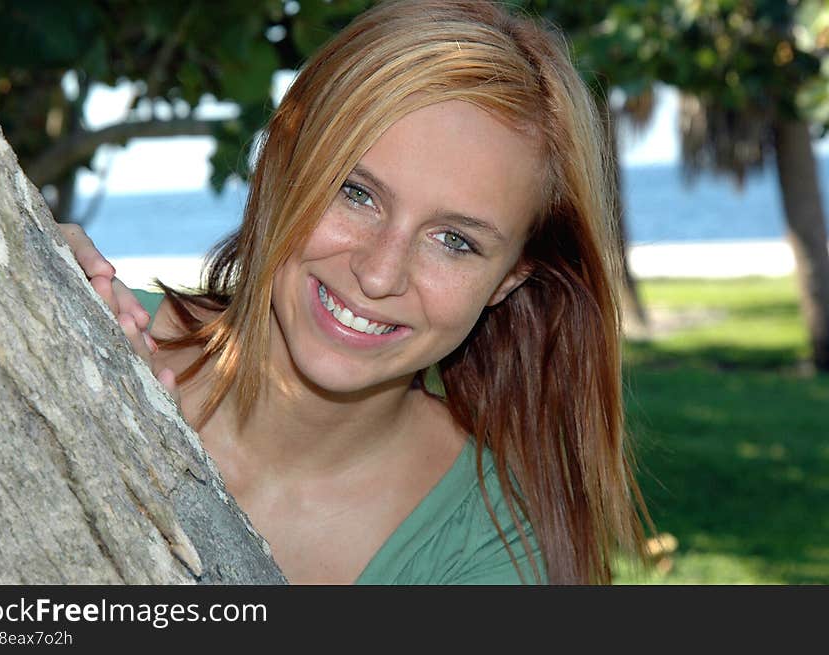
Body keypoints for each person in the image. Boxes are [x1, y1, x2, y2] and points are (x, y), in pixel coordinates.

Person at [62, 0, 651, 584]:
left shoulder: (487, 553)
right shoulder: (81, 327)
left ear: (508, 280)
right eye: (357, 193)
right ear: (285, 166)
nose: (379, 274)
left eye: (454, 240)